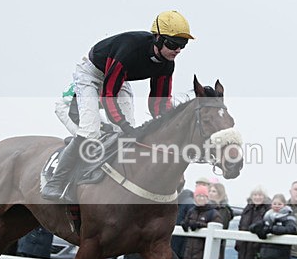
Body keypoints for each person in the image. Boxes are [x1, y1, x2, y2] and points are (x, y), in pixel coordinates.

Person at [41, 10, 194, 201]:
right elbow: (108, 96)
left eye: (183, 45)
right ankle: (57, 181)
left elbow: (159, 104)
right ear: (157, 38)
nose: (178, 50)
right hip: (92, 73)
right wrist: (124, 124)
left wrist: (168, 129)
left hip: (120, 78)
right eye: (173, 44)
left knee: (125, 138)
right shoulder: (130, 50)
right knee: (90, 132)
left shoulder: (167, 64)